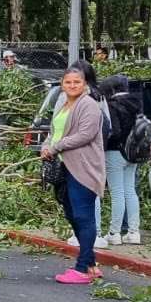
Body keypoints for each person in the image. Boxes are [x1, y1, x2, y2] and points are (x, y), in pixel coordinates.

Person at [42, 61, 106, 284]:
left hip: (84, 168)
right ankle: (91, 264)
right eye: (68, 82)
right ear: (62, 84)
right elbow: (54, 132)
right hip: (65, 168)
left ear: (84, 83)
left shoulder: (88, 105)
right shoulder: (63, 105)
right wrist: (46, 145)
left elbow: (85, 134)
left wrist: (56, 147)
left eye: (76, 82)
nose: (72, 85)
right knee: (72, 214)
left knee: (83, 215)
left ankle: (81, 269)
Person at [100, 74, 143, 246]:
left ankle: (114, 233)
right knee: (130, 191)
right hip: (133, 153)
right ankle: (134, 232)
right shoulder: (137, 104)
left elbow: (114, 131)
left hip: (114, 152)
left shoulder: (111, 106)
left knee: (116, 193)